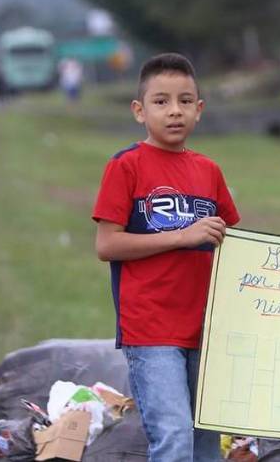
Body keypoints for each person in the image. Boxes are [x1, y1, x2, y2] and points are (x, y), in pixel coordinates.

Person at [93, 52, 239, 462]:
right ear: (139, 111)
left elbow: (234, 242)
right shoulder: (126, 167)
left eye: (185, 101)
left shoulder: (209, 171)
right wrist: (180, 237)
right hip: (151, 329)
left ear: (199, 110)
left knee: (206, 446)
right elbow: (106, 245)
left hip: (204, 329)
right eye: (161, 101)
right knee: (174, 440)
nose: (174, 111)